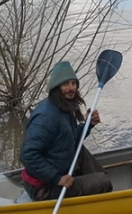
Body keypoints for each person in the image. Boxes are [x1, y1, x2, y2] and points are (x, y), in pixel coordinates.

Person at [20, 61, 112, 201]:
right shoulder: (46, 117)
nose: (71, 88)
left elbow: (71, 138)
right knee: (103, 182)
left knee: (79, 149)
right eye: (65, 84)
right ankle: (102, 186)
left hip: (57, 170)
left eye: (73, 83)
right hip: (43, 187)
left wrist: (89, 124)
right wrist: (56, 178)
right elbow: (27, 155)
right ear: (56, 88)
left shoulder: (63, 108)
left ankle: (99, 187)